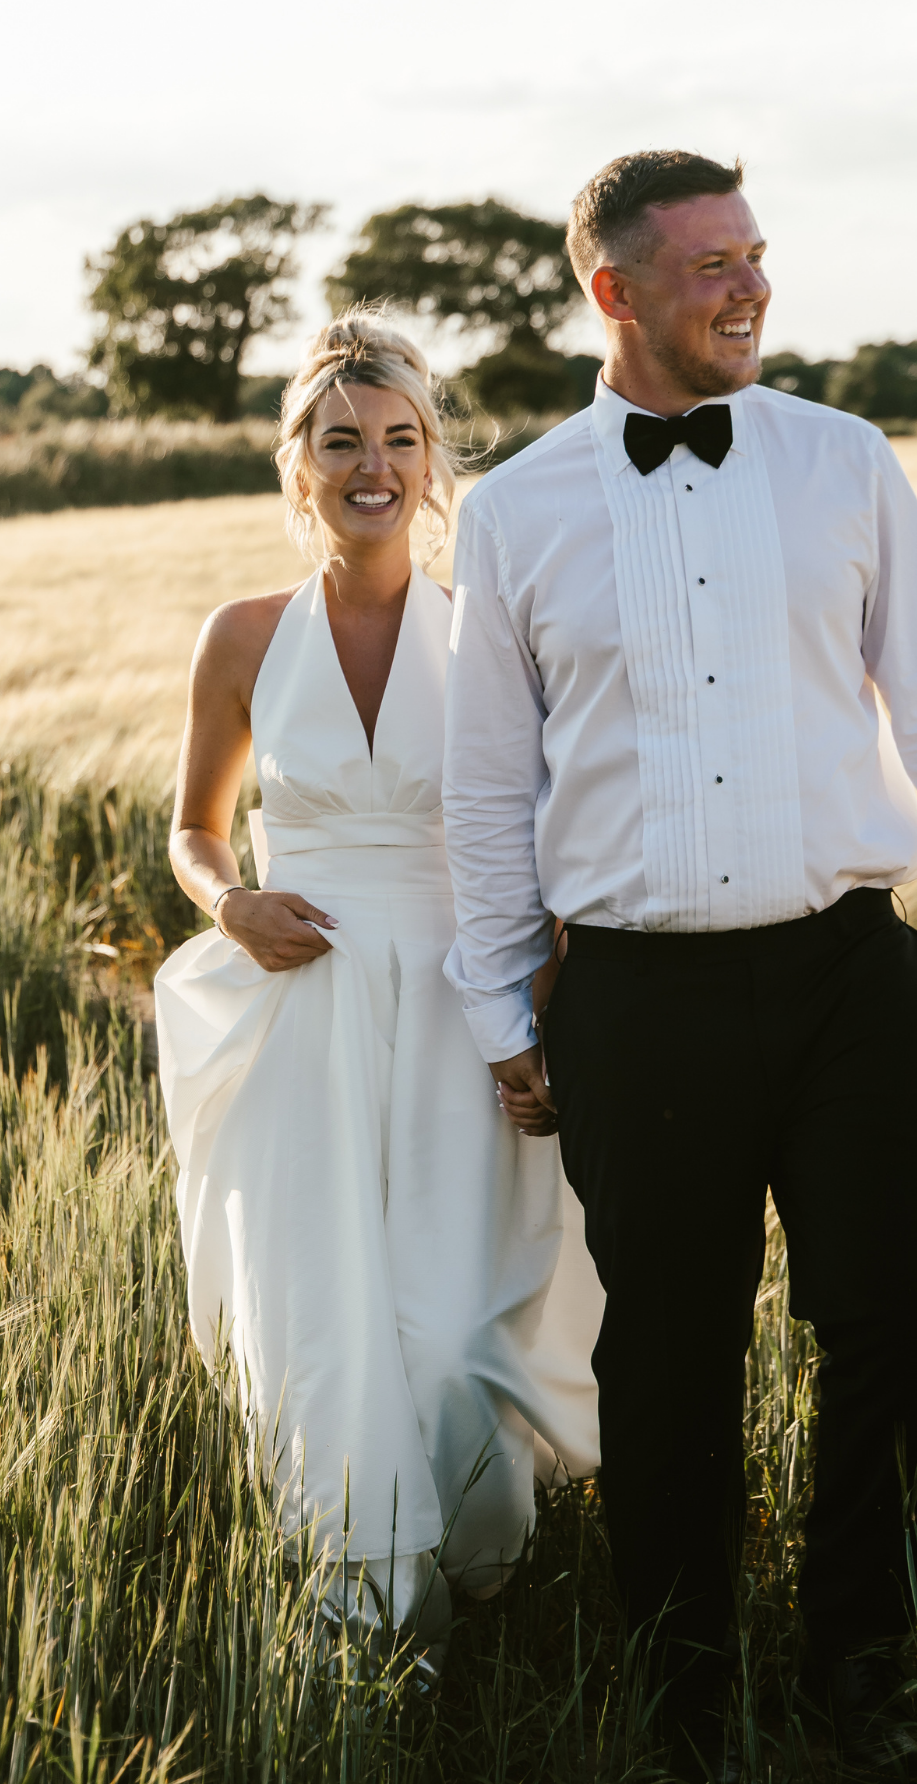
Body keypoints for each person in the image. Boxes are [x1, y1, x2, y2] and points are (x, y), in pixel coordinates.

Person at [441, 150, 917, 1779]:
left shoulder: (842, 463)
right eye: (713, 263)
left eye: (756, 256)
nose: (751, 288)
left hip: (850, 981)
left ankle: (859, 1672)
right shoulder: (517, 513)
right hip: (640, 1003)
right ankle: (681, 1707)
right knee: (668, 1356)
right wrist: (506, 1008)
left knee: (900, 1331)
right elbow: (486, 788)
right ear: (617, 291)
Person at [153, 313, 603, 1678]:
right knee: (325, 1305)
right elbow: (195, 828)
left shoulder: (485, 636)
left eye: (400, 439)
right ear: (299, 465)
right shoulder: (239, 637)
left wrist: (531, 1016)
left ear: (432, 462)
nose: (373, 463)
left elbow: (544, 849)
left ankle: (474, 1571)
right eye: (342, 439)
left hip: (460, 1000)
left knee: (462, 1322)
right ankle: (363, 1607)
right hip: (307, 1004)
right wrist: (230, 900)